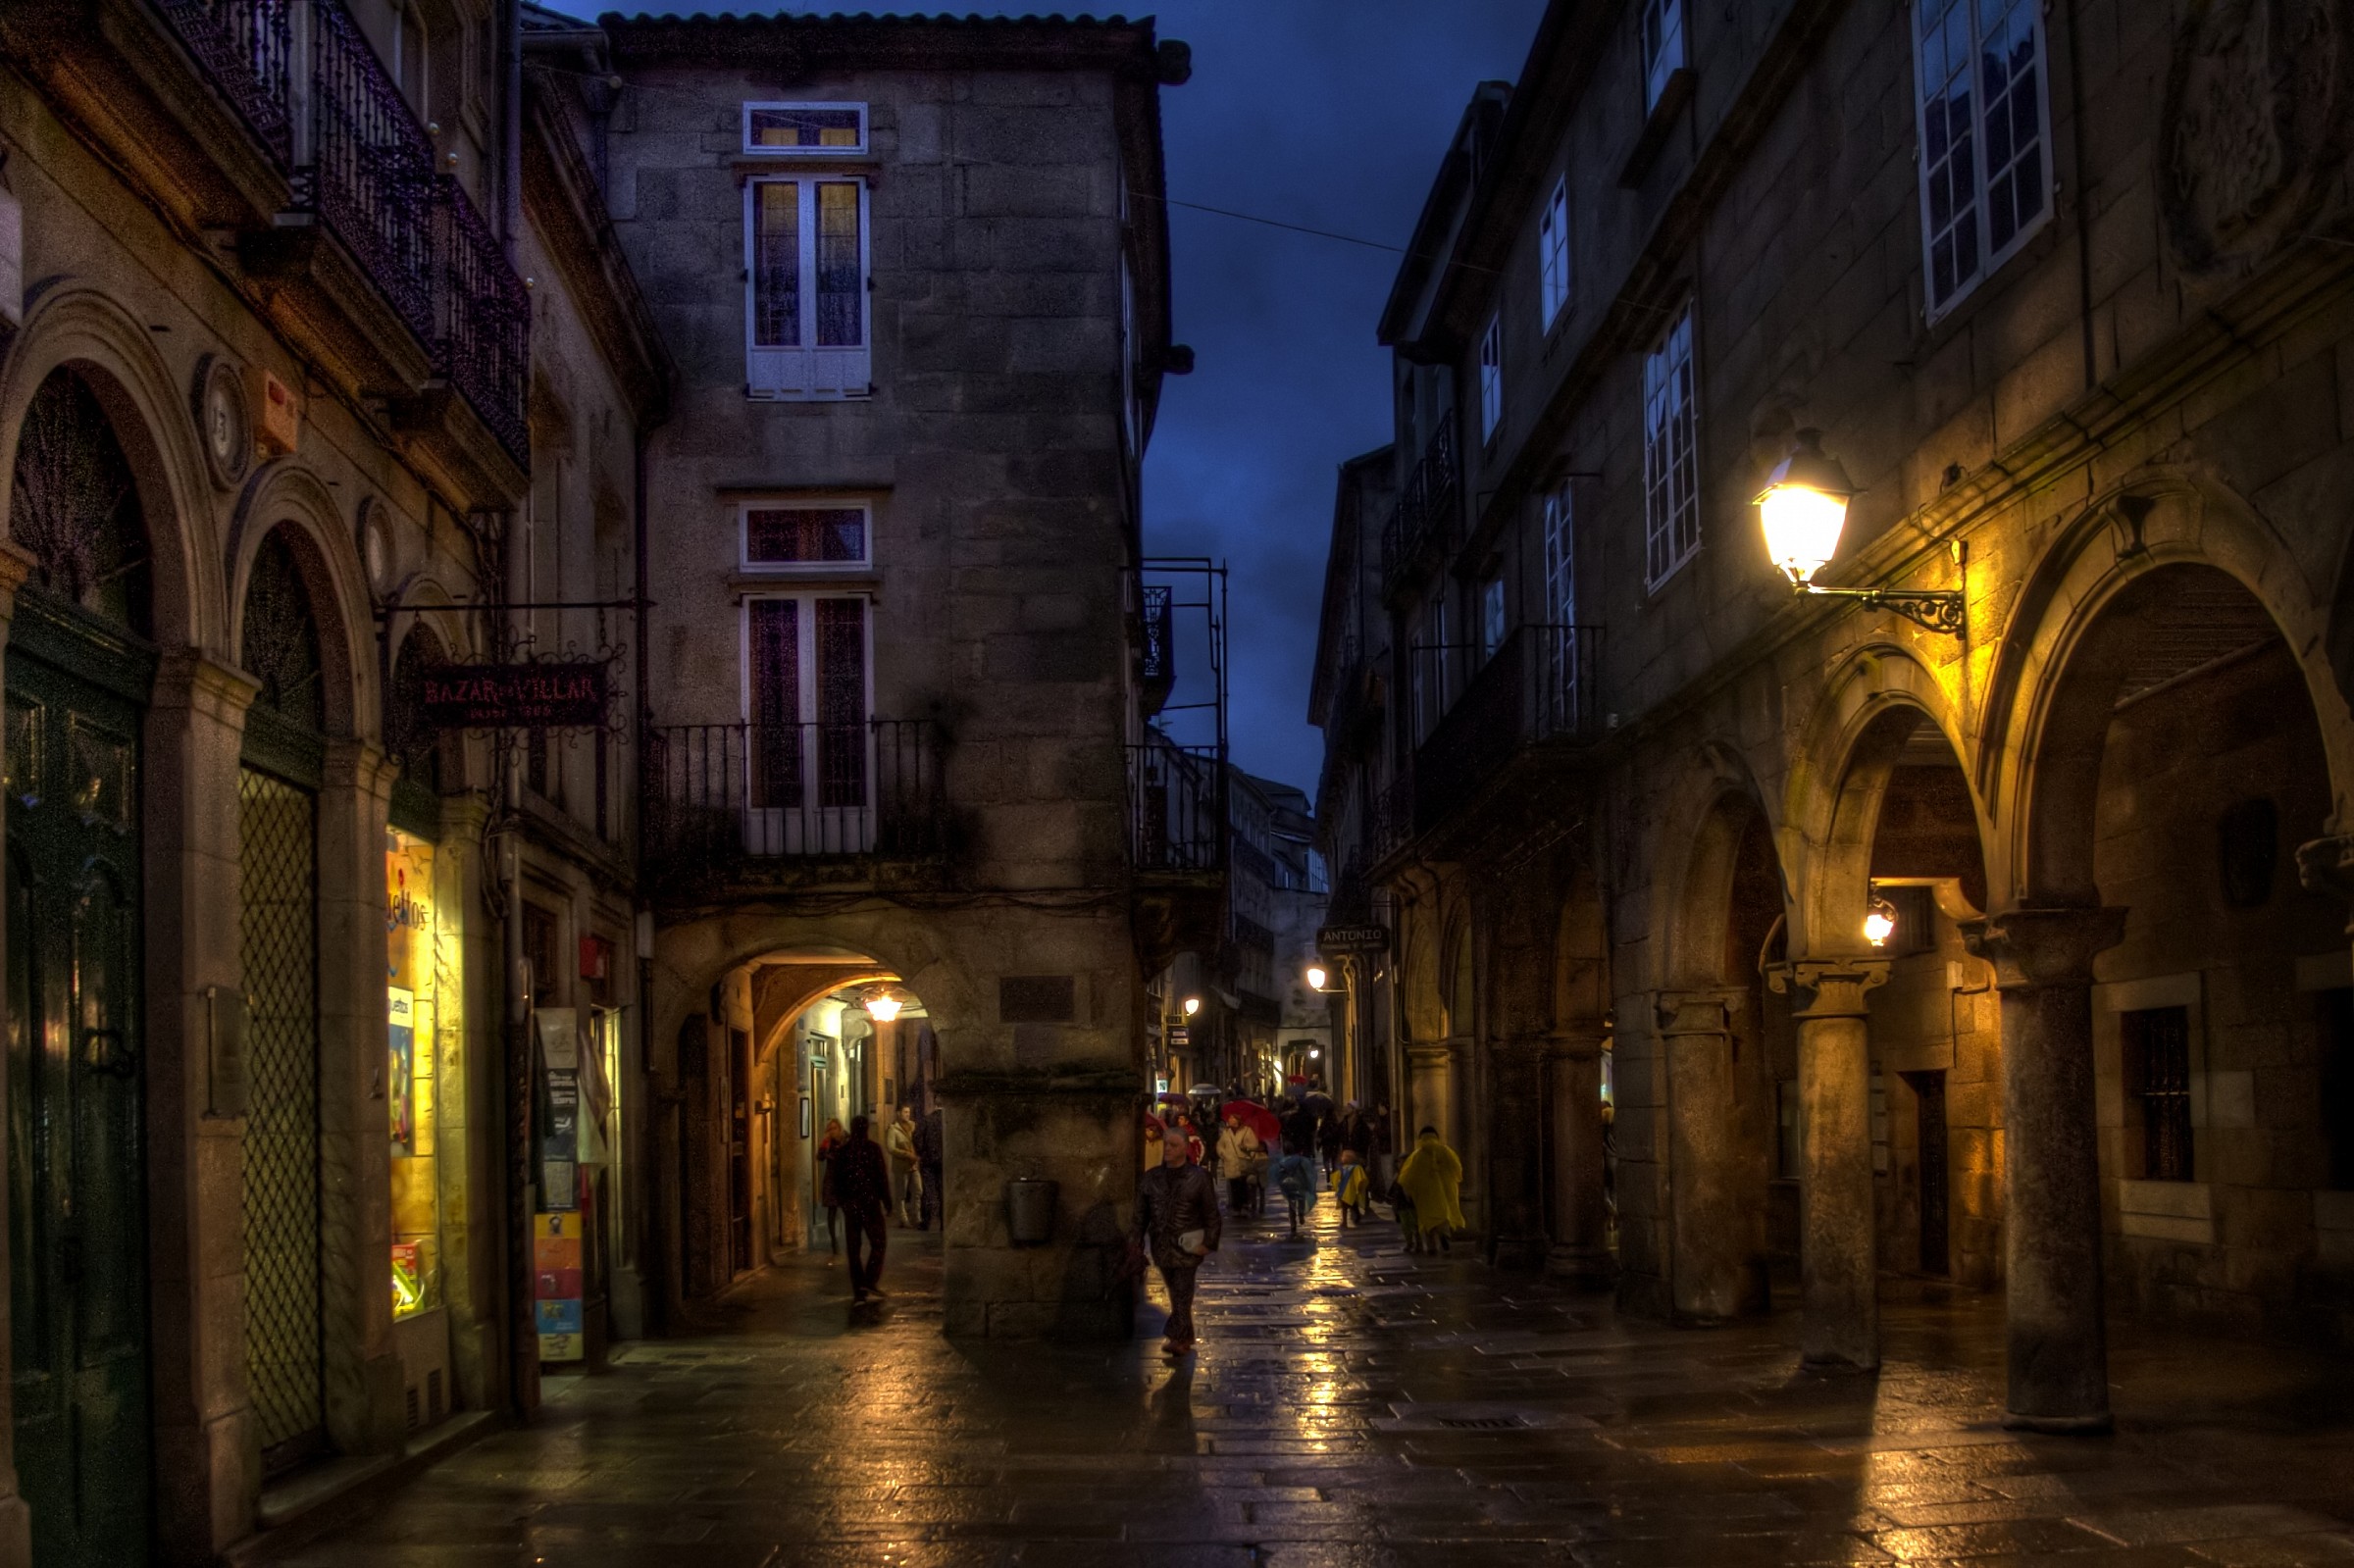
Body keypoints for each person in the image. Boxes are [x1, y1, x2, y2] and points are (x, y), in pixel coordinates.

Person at [1134, 1118, 1221, 1357]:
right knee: (1176, 1292)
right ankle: (1186, 1336)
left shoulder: (1199, 1177)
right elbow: (1141, 1214)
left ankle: (1177, 1338)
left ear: (1185, 1147)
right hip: (1162, 1245)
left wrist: (1209, 1243)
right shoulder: (1152, 1178)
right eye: (1166, 1144)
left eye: (1173, 1145)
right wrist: (1136, 1241)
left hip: (1188, 1245)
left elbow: (1211, 1213)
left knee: (1182, 1291)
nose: (1168, 1149)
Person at [832, 1114, 894, 1302]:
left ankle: (859, 1286)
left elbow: (837, 1180)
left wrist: (843, 1201)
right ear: (866, 1129)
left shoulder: (844, 1152)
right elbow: (881, 1177)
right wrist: (887, 1201)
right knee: (878, 1242)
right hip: (870, 1203)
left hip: (852, 1205)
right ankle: (869, 1279)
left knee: (853, 1247)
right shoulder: (872, 1150)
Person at [1397, 1124, 1465, 1254]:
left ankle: (1431, 1246)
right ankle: (1444, 1234)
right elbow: (1457, 1169)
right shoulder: (1445, 1151)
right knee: (1444, 1216)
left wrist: (1408, 1191)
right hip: (1445, 1190)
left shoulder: (1417, 1155)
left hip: (1425, 1193)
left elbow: (1407, 1176)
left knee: (1427, 1220)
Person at [1215, 1111, 1261, 1216]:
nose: (1230, 1120)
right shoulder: (1226, 1132)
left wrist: (1246, 1147)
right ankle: (1236, 1207)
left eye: (1232, 1118)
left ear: (1237, 1120)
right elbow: (1220, 1145)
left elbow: (1255, 1144)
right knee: (1234, 1185)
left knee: (1243, 1184)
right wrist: (1223, 1153)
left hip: (1242, 1161)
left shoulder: (1247, 1130)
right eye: (1229, 1118)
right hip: (1230, 1161)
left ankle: (1244, 1205)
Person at [815, 1117, 847, 1255]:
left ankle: (850, 1239)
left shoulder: (846, 1140)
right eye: (830, 1129)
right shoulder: (828, 1142)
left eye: (835, 1128)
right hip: (831, 1179)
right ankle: (834, 1242)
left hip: (844, 1180)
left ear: (839, 1128)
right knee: (832, 1211)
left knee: (848, 1210)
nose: (833, 1131)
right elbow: (819, 1157)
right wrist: (825, 1143)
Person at [885, 1104, 922, 1227]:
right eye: (905, 1112)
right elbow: (891, 1148)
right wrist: (906, 1154)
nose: (907, 1114)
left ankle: (916, 1216)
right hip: (901, 1166)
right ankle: (903, 1219)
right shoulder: (893, 1129)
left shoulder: (913, 1126)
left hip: (913, 1164)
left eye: (908, 1112)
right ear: (899, 1113)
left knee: (918, 1190)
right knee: (901, 1193)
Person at [1273, 1149, 1318, 1239]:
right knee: (1301, 1199)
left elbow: (1279, 1174)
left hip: (1288, 1184)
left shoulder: (1283, 1162)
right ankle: (1301, 1214)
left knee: (1291, 1204)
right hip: (1299, 1183)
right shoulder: (1300, 1160)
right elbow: (1307, 1172)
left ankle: (1293, 1224)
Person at [914, 1104, 945, 1231]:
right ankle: (944, 1221)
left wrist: (921, 1152)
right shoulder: (948, 1120)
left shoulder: (926, 1120)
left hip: (928, 1161)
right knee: (943, 1190)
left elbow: (917, 1138)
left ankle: (926, 1221)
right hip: (944, 1161)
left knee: (928, 1191)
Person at [1334, 1146, 1370, 1228]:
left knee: (1352, 1205)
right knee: (1345, 1206)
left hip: (1350, 1190)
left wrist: (1359, 1186)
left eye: (1344, 1157)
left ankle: (1355, 1217)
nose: (1342, 1158)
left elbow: (1360, 1178)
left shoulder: (1356, 1168)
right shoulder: (1343, 1168)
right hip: (1343, 1190)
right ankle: (1345, 1221)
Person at [1317, 1106, 1345, 1184]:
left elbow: (1320, 1134)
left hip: (1326, 1144)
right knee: (1334, 1161)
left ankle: (1328, 1171)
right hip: (1334, 1144)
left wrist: (1319, 1144)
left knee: (1326, 1159)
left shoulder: (1324, 1123)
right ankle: (1333, 1175)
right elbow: (1339, 1134)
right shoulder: (1335, 1122)